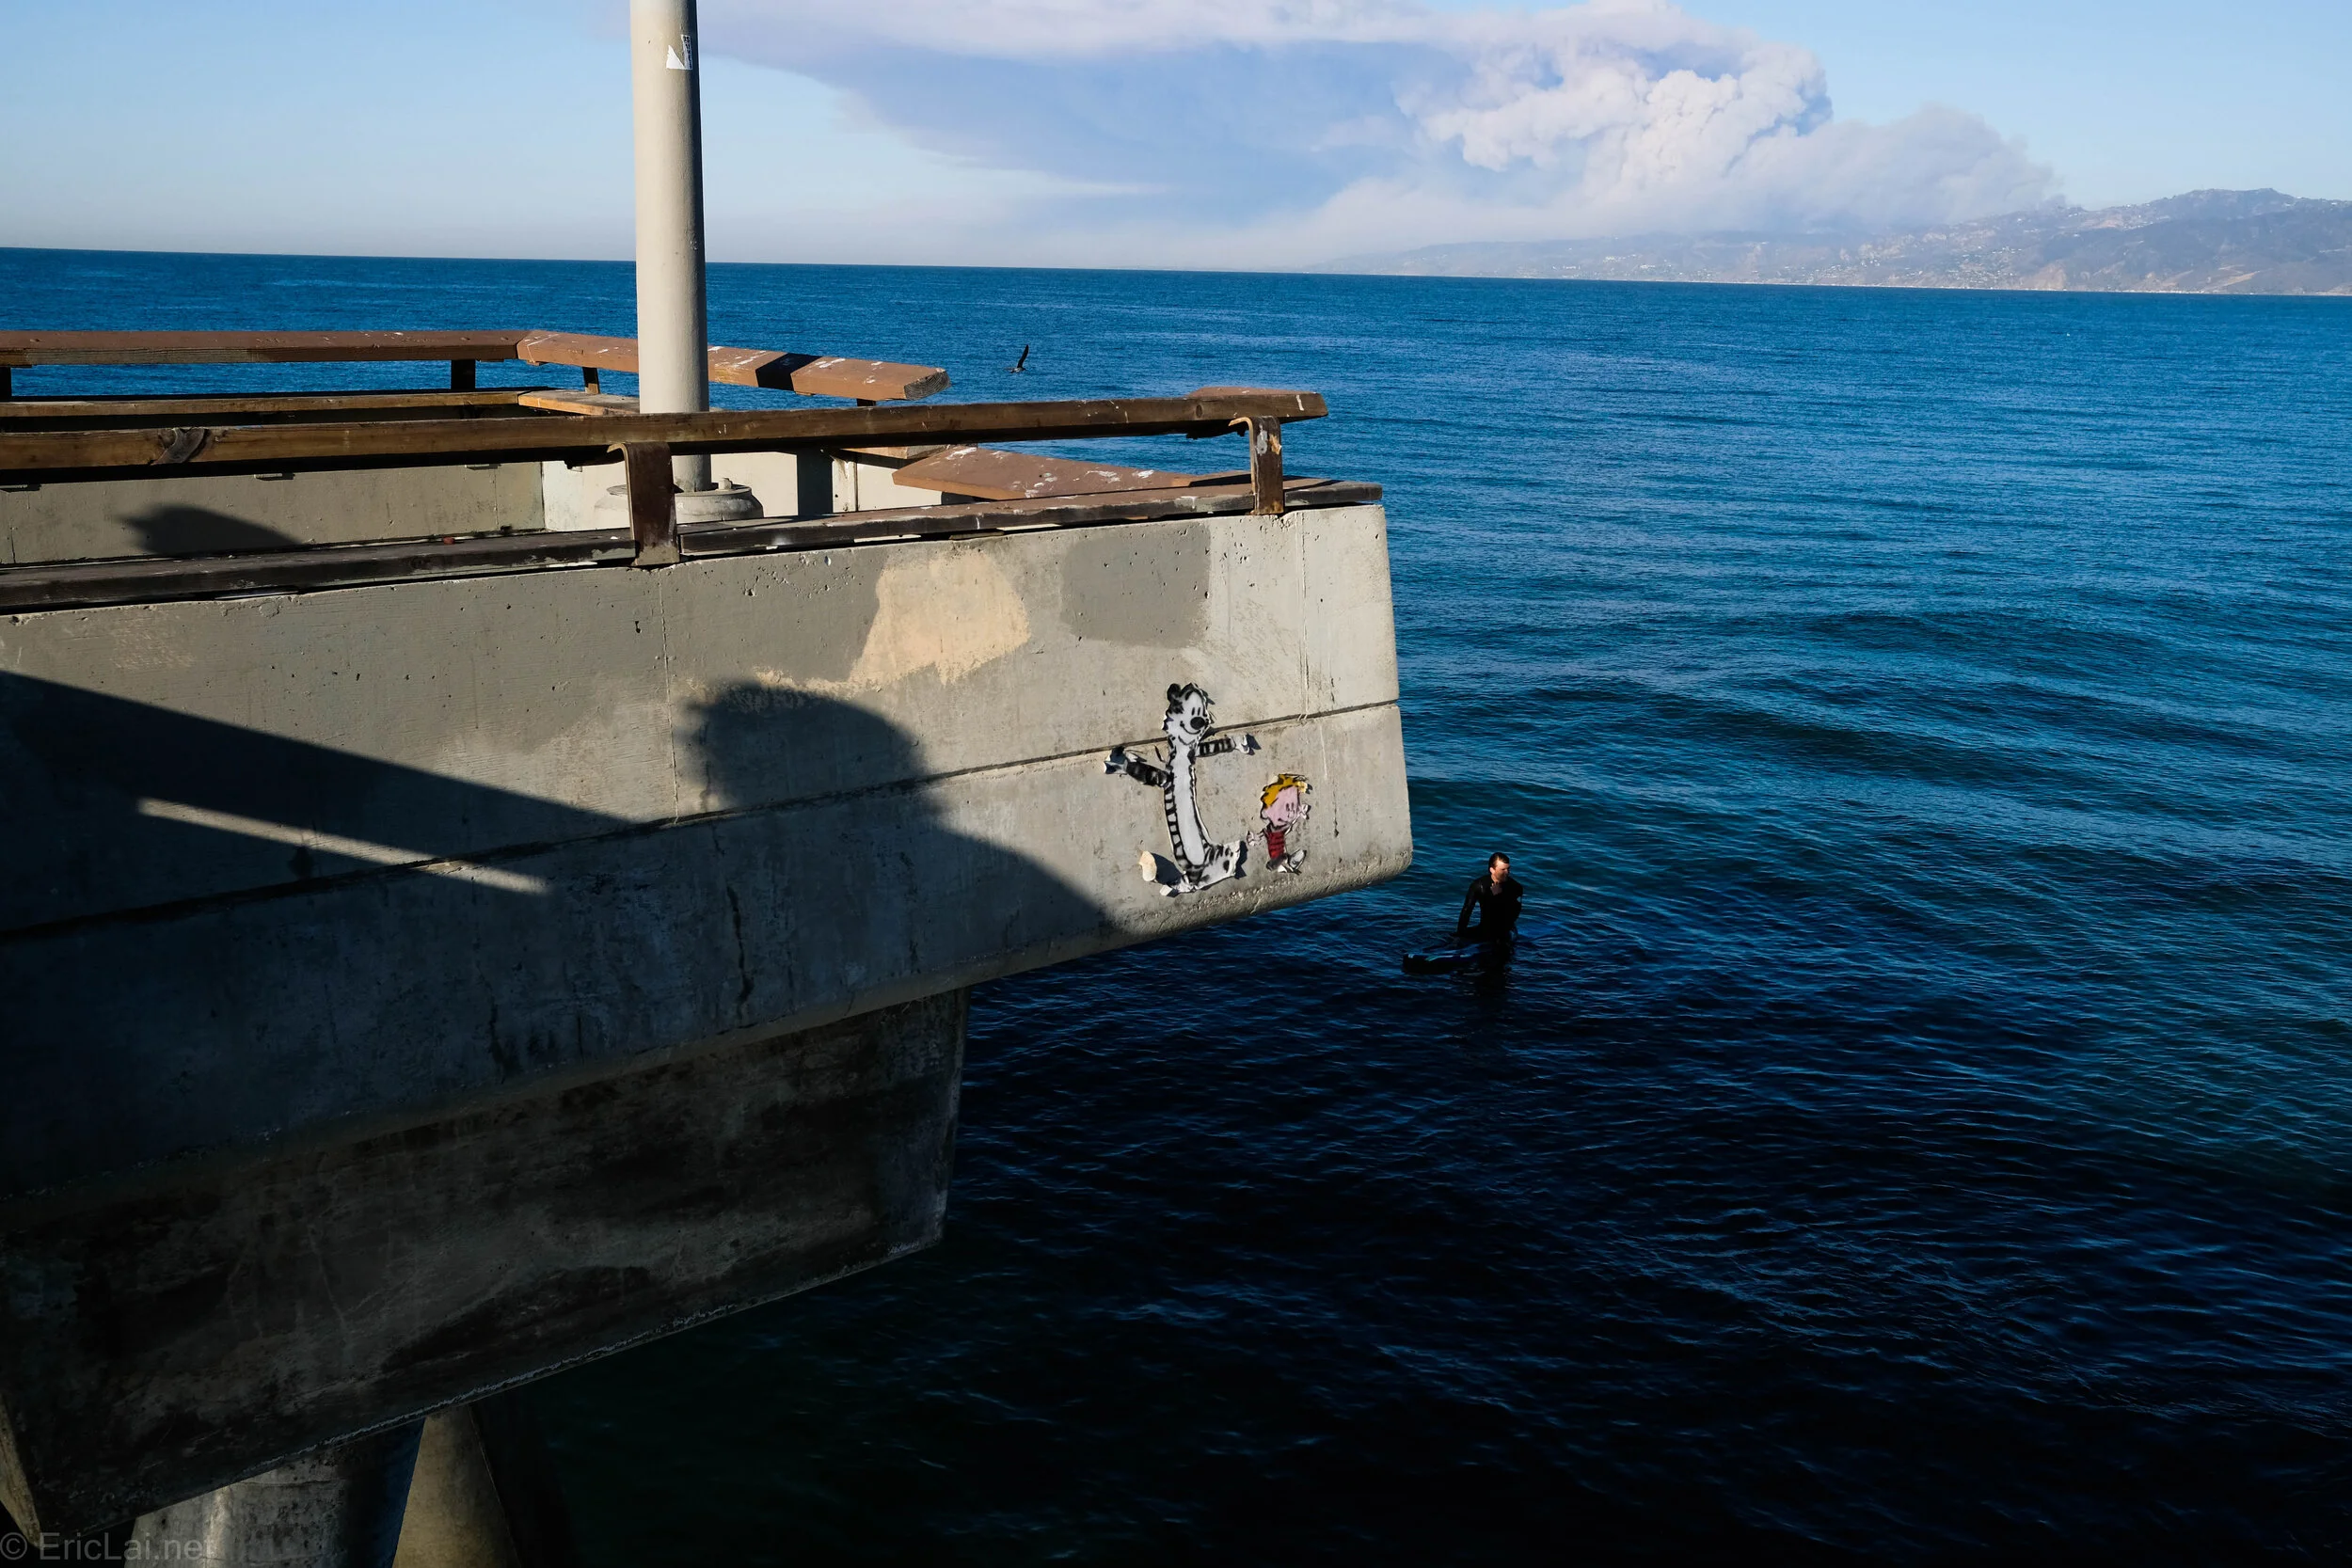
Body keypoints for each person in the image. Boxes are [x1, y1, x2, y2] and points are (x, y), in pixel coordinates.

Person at [1456, 853, 1524, 952]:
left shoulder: (1515, 887)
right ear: (1492, 870)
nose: (1507, 872)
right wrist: (1460, 935)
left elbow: (1513, 915)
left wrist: (1498, 897)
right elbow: (1466, 911)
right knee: (1451, 940)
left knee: (1497, 948)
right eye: (1503, 870)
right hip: (1485, 928)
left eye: (1508, 869)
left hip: (1505, 931)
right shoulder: (1479, 885)